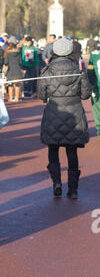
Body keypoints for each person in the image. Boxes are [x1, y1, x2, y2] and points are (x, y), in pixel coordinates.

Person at [38, 37, 92, 199]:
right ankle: (73, 189)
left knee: (53, 149)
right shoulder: (78, 70)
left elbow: (41, 94)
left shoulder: (47, 71)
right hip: (74, 114)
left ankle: (57, 183)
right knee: (72, 151)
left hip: (54, 112)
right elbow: (86, 94)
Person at [3, 36, 23, 103]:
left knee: (10, 85)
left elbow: (6, 62)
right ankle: (17, 98)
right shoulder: (18, 52)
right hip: (17, 70)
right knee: (17, 85)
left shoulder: (8, 53)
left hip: (10, 70)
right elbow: (20, 62)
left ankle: (11, 98)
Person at [87, 42, 100, 138]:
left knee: (97, 110)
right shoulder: (94, 54)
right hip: (96, 87)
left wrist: (91, 85)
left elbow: (90, 71)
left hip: (97, 87)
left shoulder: (94, 55)